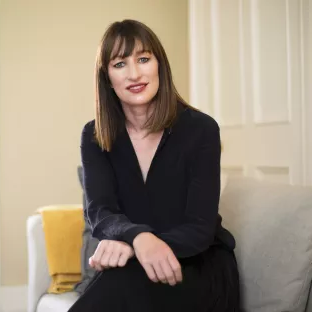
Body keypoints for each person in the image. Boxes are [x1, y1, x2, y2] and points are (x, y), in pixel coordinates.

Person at [69, 19, 240, 312]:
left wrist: (134, 245)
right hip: (134, 269)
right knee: (118, 283)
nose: (134, 73)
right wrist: (140, 240)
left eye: (144, 59)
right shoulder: (94, 135)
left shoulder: (202, 130)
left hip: (197, 266)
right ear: (106, 77)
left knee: (119, 285)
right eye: (119, 64)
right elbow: (100, 211)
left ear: (160, 65)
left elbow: (199, 228)